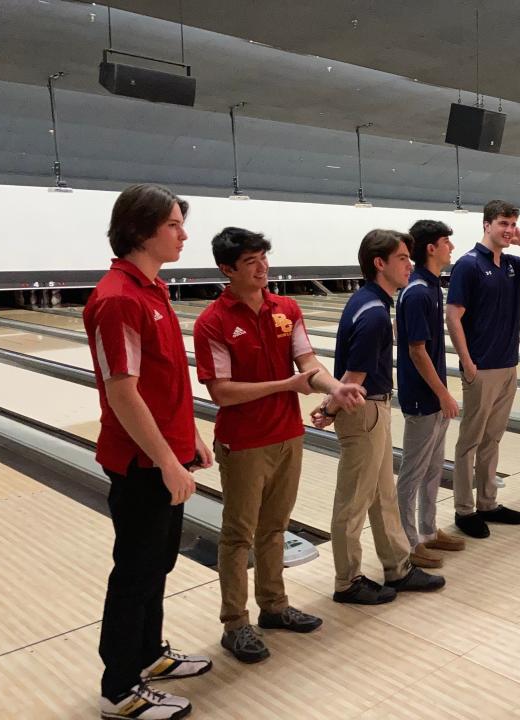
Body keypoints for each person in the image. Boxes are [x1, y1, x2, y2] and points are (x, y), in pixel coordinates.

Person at [193, 227, 365, 663]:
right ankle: (235, 624)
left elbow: (308, 363)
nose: (262, 267)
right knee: (237, 536)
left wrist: (335, 389)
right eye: (251, 262)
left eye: (264, 258)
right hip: (245, 443)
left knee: (275, 529)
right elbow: (222, 392)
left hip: (289, 435)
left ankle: (274, 606)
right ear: (227, 269)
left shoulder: (285, 308)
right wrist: (285, 385)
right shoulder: (212, 322)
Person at [84, 184, 213, 720]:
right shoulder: (119, 298)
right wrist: (165, 460)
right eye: (174, 225)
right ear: (141, 230)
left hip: (166, 452)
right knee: (135, 570)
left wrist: (189, 441)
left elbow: (164, 384)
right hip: (141, 463)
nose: (184, 234)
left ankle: (148, 654)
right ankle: (119, 686)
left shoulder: (152, 290)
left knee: (157, 562)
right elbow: (122, 390)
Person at [315, 230, 445, 604]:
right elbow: (353, 377)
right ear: (380, 263)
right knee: (354, 501)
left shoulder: (367, 301)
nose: (409, 264)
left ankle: (398, 566)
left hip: (372, 409)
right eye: (403, 258)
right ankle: (347, 581)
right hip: (364, 410)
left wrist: (330, 407)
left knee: (382, 494)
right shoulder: (373, 314)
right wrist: (328, 408)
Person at [446, 200, 520, 539]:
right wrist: (467, 361)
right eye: (503, 224)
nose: (509, 229)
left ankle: (488, 503)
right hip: (480, 367)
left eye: (513, 224)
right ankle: (464, 510)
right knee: (470, 440)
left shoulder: (512, 263)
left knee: (493, 438)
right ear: (486, 225)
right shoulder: (468, 265)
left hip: (508, 365)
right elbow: (453, 315)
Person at [395, 220, 466, 569]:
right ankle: (408, 543)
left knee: (433, 469)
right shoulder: (419, 290)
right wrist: (444, 395)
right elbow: (417, 350)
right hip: (424, 399)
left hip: (433, 396)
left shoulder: (429, 287)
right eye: (446, 243)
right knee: (413, 472)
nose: (451, 248)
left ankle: (427, 530)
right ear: (431, 249)